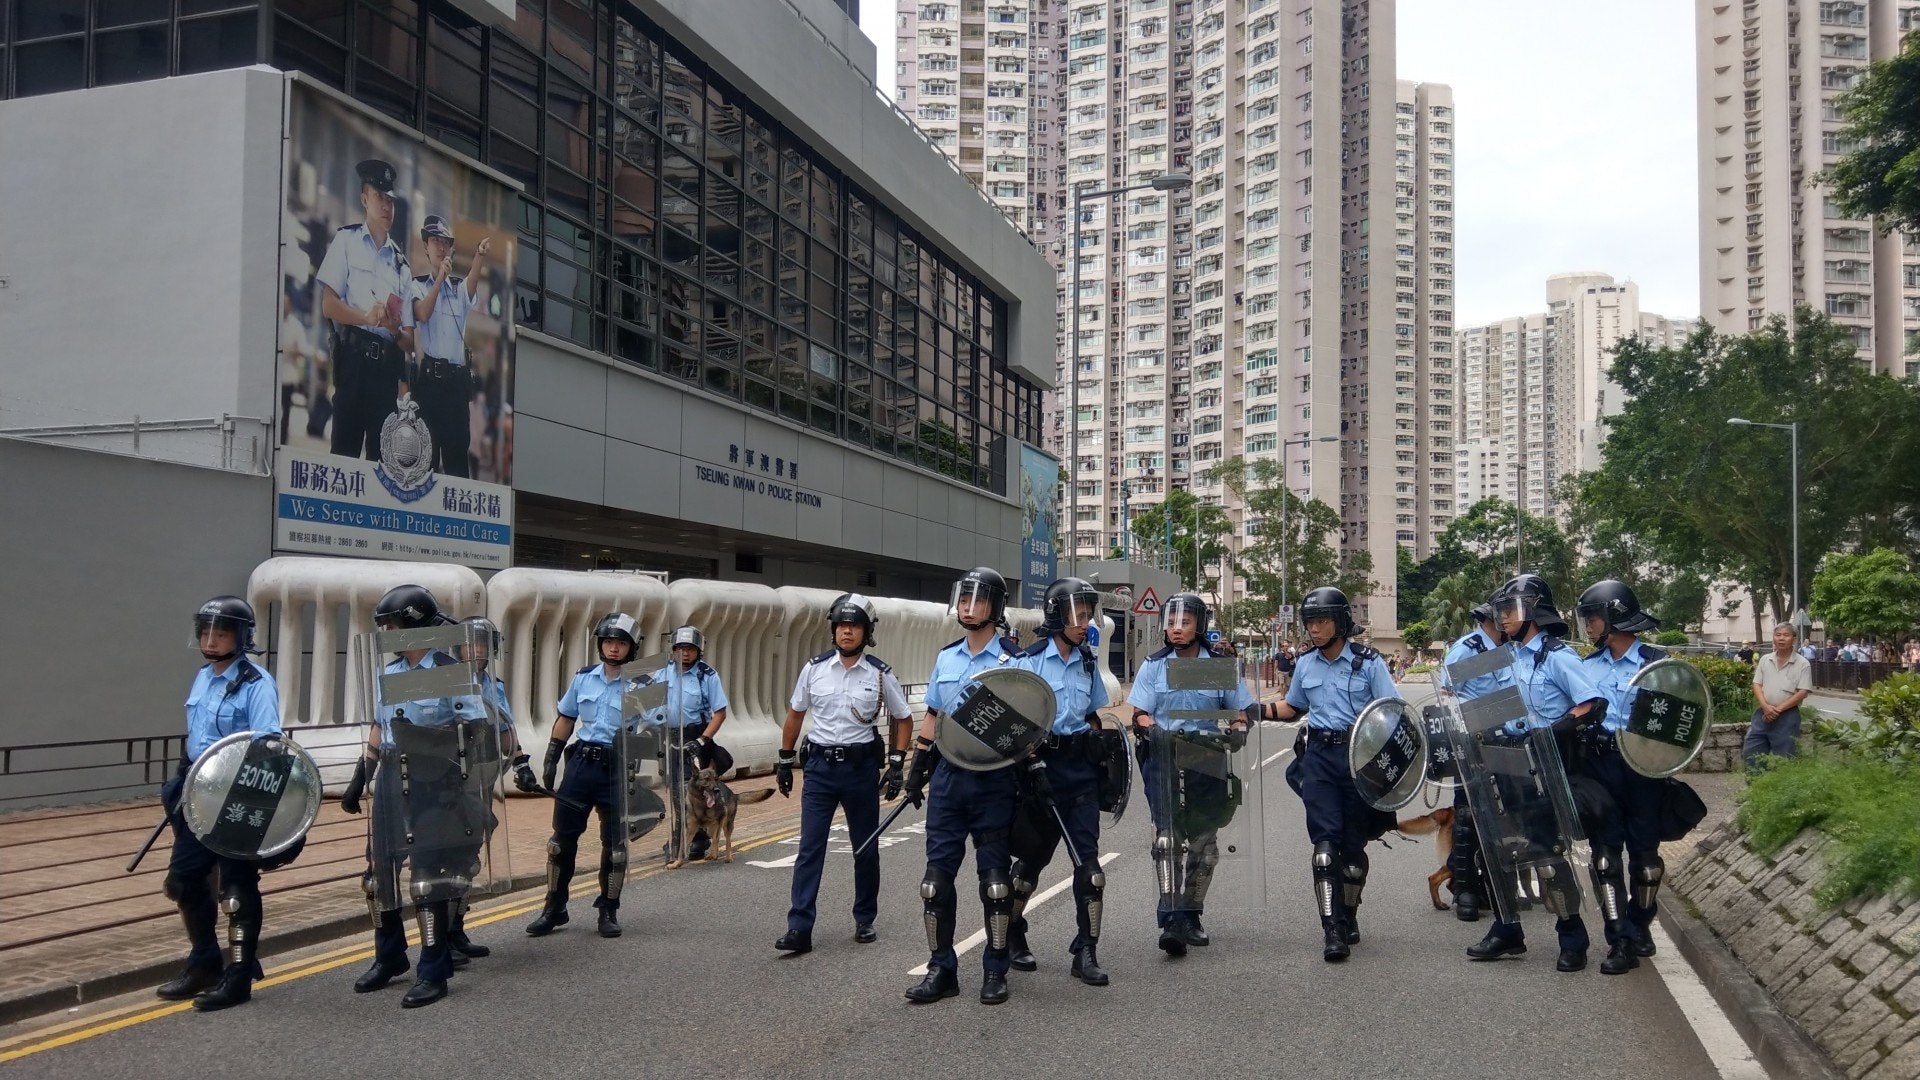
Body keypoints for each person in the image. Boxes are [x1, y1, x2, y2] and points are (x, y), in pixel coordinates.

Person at [340, 585, 495, 1008]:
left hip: (435, 781)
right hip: (393, 777)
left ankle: (433, 969)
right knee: (379, 875)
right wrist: (362, 776)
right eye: (384, 628)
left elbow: (475, 730)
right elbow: (380, 726)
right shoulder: (390, 672)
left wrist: (433, 744)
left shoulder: (449, 671)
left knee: (427, 879)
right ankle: (389, 957)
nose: (387, 635)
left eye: (392, 627)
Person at [1463, 574, 1605, 973]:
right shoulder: (1502, 656)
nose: (1503, 618)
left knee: (1547, 853)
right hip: (1504, 763)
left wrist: (1553, 731)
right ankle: (1507, 929)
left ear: (1533, 610)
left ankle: (1572, 937)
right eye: (1500, 611)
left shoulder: (1558, 656)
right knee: (1499, 848)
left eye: (1510, 610)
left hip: (1545, 767)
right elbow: (1476, 699)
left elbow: (1592, 703)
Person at [155, 597, 284, 1012]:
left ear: (241, 637)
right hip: (195, 792)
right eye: (205, 632)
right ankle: (205, 963)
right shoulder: (202, 677)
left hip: (234, 795)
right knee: (184, 880)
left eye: (221, 632)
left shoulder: (256, 683)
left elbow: (267, 744)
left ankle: (240, 976)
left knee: (237, 886)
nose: (211, 640)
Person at [902, 567, 1023, 1005]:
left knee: (995, 884)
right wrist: (917, 766)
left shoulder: (1014, 661)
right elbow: (933, 714)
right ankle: (941, 970)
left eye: (979, 599)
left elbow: (1026, 724)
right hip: (949, 779)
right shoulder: (947, 657)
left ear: (997, 606)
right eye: (964, 598)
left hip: (994, 779)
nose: (968, 607)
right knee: (934, 883)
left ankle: (995, 969)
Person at [1259, 586, 1397, 962]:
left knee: (1352, 853)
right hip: (1319, 758)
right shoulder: (1305, 664)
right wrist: (1255, 710)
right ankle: (1332, 928)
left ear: (1340, 622)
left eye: (1321, 621)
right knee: (1324, 849)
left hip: (1359, 759)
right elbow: (1292, 708)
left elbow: (1392, 712)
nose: (1314, 629)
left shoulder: (1370, 663)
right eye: (1309, 623)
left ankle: (1349, 914)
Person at [774, 594, 913, 954]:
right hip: (819, 769)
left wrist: (897, 762)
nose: (847, 632)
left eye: (854, 626)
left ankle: (865, 918)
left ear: (867, 632)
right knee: (809, 848)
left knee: (864, 847)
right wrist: (785, 760)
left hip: (859, 770)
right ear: (833, 630)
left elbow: (904, 718)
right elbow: (795, 714)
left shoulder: (880, 674)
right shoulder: (814, 669)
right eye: (841, 626)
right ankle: (799, 927)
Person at [1127, 592, 1255, 957]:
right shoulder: (1154, 666)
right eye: (1171, 622)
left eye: (1184, 622)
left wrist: (1239, 728)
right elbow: (1139, 714)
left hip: (1207, 758)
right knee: (1168, 838)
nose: (1176, 629)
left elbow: (1239, 711)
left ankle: (1191, 915)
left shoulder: (1219, 666)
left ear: (1200, 625)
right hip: (1165, 758)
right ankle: (1170, 919)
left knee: (1203, 842)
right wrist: (1152, 728)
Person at [1004, 577, 1115, 985]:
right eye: (1078, 615)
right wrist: (1031, 766)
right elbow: (1012, 723)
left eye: (1088, 615)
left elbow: (1092, 715)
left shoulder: (1087, 661)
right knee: (1029, 865)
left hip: (1079, 774)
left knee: (1090, 868)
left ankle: (1086, 951)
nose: (1085, 623)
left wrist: (1100, 751)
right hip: (1039, 772)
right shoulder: (1028, 663)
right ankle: (1012, 932)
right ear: (1055, 616)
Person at [524, 613, 644, 940]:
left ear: (632, 648)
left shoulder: (644, 684)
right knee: (559, 843)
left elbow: (654, 728)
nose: (614, 648)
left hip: (617, 767)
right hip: (581, 765)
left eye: (621, 643)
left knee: (615, 846)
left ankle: (608, 909)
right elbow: (566, 717)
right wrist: (551, 756)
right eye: (608, 642)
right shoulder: (584, 677)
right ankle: (554, 908)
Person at [1576, 580, 1672, 975]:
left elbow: (1677, 724)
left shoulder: (1658, 664)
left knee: (1646, 863)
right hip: (1600, 768)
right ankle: (1620, 940)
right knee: (1605, 858)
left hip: (1644, 770)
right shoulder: (1586, 667)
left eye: (1593, 618)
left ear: (1614, 619)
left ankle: (1640, 923)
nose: (1588, 626)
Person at [316, 159, 414, 460]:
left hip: (385, 372)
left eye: (390, 200)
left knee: (380, 465)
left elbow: (409, 342)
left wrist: (393, 329)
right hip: (353, 363)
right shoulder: (347, 241)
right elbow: (328, 305)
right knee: (343, 455)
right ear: (364, 199)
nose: (386, 206)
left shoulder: (401, 266)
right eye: (379, 197)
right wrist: (365, 317)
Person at [1437, 599, 1511, 923]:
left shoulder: (1511, 649)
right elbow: (1446, 696)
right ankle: (1464, 888)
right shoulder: (1468, 650)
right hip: (1473, 744)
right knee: (1468, 816)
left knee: (1500, 816)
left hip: (1507, 742)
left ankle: (1488, 882)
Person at [409, 216, 492, 477]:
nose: (441, 247)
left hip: (455, 384)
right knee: (427, 462)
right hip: (429, 384)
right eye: (435, 241)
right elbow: (423, 314)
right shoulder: (417, 285)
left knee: (457, 462)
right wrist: (438, 281)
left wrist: (479, 255)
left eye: (445, 242)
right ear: (426, 246)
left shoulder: (458, 289)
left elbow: (472, 281)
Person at [642, 625, 730, 862]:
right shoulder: (661, 672)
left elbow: (720, 713)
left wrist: (703, 740)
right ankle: (688, 835)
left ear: (698, 651)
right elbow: (647, 705)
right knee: (675, 791)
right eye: (679, 648)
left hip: (695, 738)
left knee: (695, 791)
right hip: (669, 738)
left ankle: (691, 839)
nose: (684, 653)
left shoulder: (707, 676)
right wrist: (648, 728)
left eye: (690, 649)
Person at [1745, 624, 1813, 771]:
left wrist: (1777, 710)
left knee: (1785, 758)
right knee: (1752, 753)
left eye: (1786, 635)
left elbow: (1803, 692)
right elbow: (1757, 684)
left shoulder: (1803, 664)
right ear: (1773, 638)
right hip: (1763, 714)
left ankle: (1781, 784)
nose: (1781, 638)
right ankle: (1755, 783)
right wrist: (1765, 707)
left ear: (1794, 639)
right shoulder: (1765, 659)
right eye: (1778, 635)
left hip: (1787, 716)